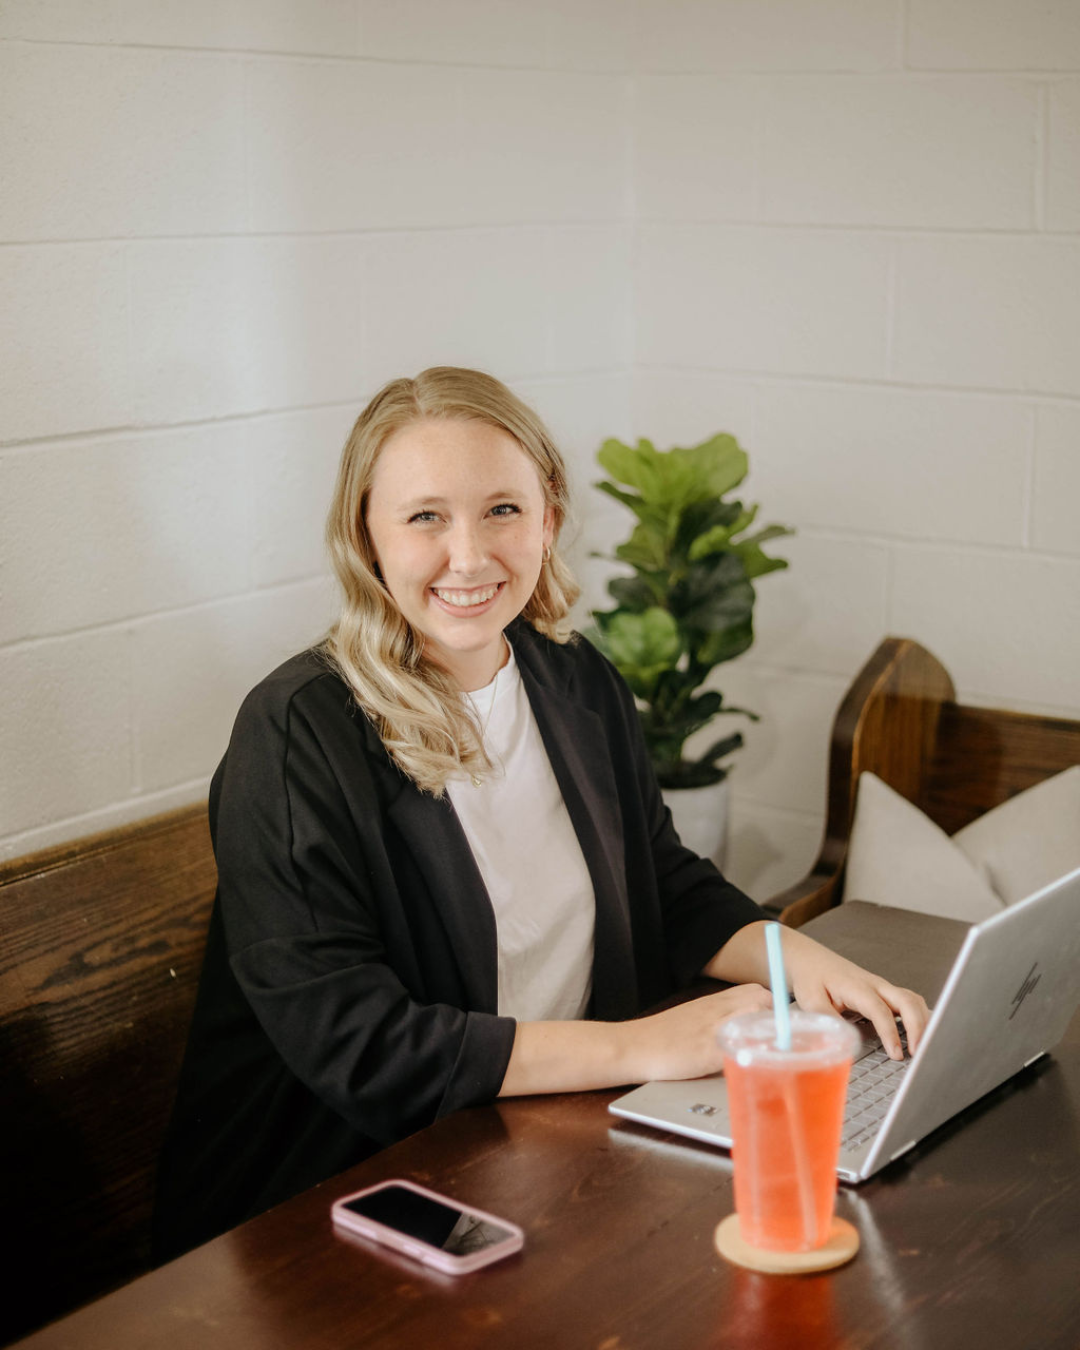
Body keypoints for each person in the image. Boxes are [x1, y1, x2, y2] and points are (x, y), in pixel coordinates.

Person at [152, 367, 928, 1262]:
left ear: (549, 517)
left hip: (550, 1143)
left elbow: (664, 886)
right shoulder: (297, 734)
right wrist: (641, 1048)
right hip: (339, 1201)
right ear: (366, 537)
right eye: (425, 517)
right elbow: (364, 1049)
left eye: (503, 511)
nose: (471, 557)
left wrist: (812, 967)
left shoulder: (573, 678)